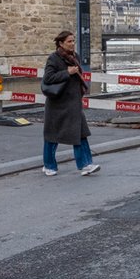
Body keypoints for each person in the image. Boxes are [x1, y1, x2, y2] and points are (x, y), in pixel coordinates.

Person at [42, 30, 99, 176]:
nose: (72, 44)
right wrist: (67, 72)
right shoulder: (53, 58)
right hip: (58, 104)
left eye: (73, 41)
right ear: (61, 43)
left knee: (80, 134)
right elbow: (48, 78)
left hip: (73, 103)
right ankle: (49, 166)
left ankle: (86, 164)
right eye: (69, 41)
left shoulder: (75, 57)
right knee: (52, 136)